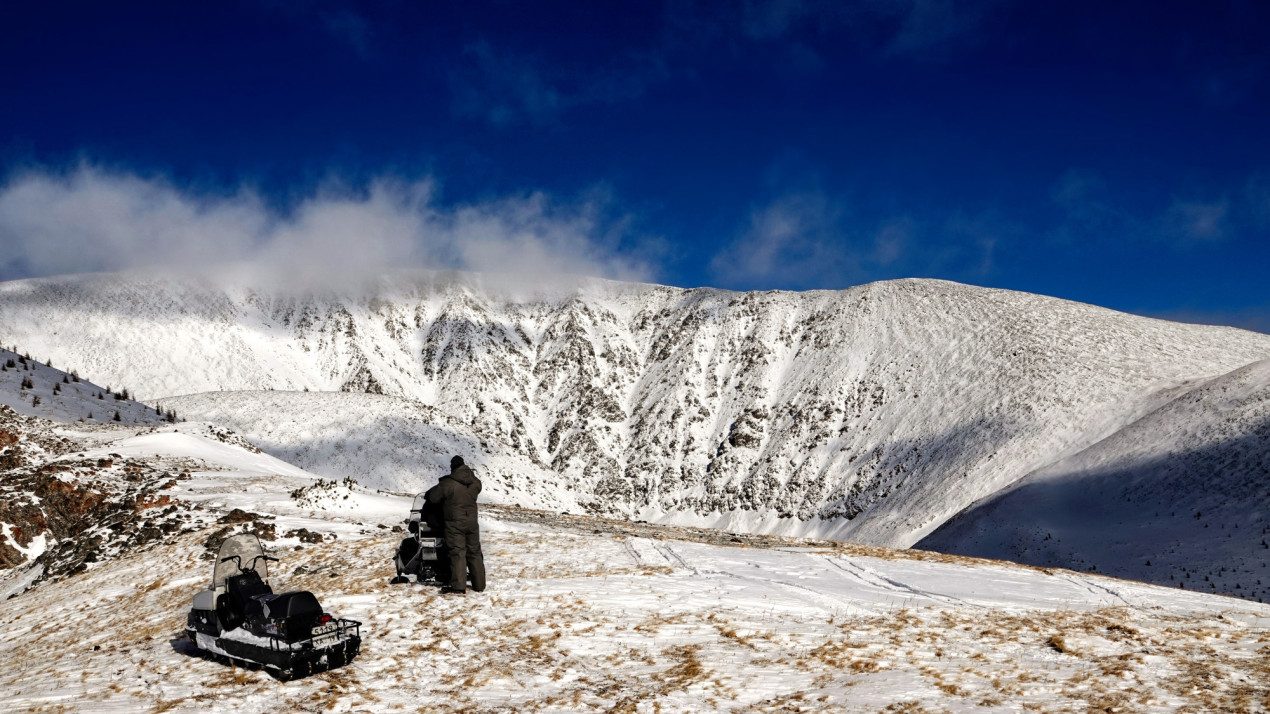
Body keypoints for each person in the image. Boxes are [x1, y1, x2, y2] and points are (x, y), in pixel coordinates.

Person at [425, 455, 486, 594]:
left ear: (452, 467)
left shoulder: (448, 483)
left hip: (455, 523)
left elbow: (433, 497)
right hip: (472, 522)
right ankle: (479, 585)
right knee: (474, 552)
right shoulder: (475, 482)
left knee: (458, 553)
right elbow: (478, 487)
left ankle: (458, 587)